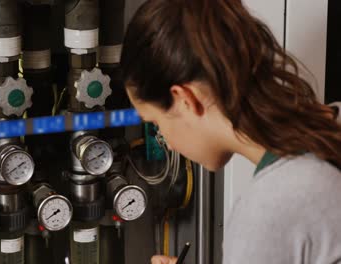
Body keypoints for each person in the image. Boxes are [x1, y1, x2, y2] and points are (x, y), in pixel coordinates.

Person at [120, 0, 341, 263]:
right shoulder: (331, 124)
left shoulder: (267, 211)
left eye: (156, 123)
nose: (165, 142)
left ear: (185, 100)